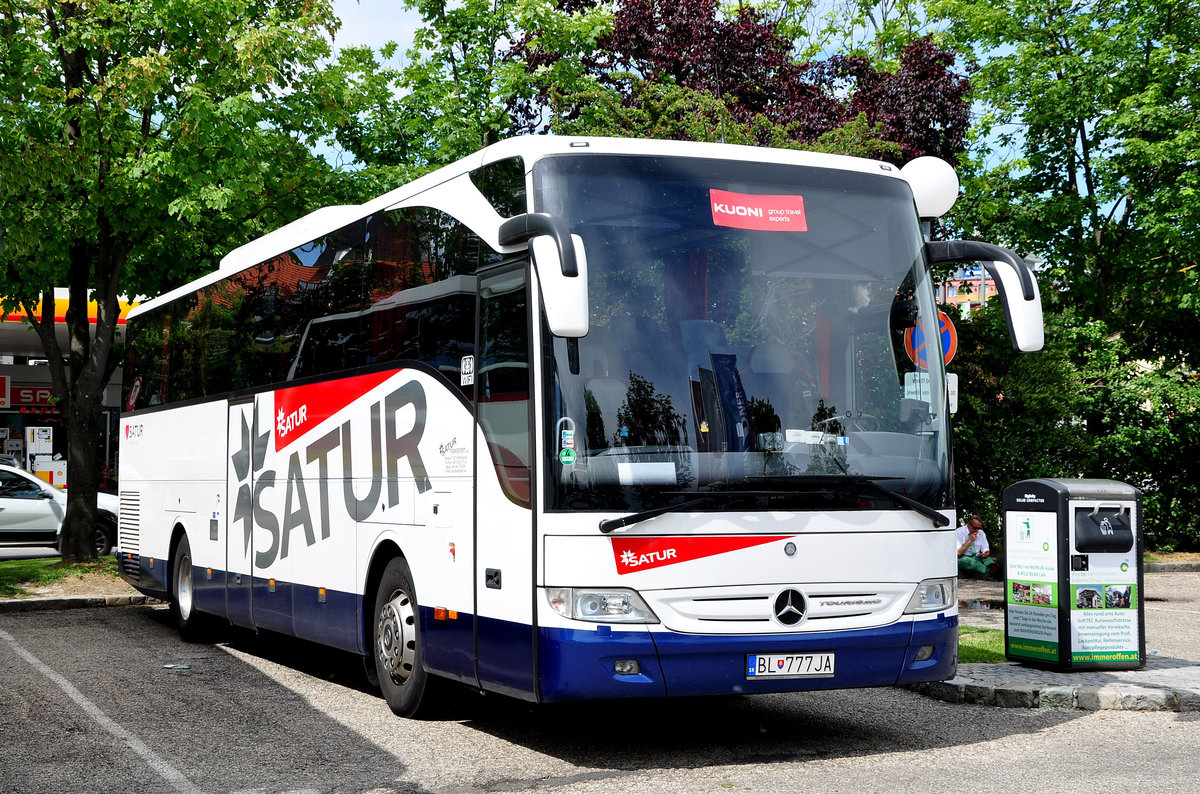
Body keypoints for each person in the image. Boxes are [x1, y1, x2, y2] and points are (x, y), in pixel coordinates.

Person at [957, 513, 999, 578]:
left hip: (977, 556)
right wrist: (970, 540)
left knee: (989, 561)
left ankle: (996, 571)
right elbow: (958, 553)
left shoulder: (981, 533)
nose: (976, 530)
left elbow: (985, 549)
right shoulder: (959, 532)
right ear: (968, 524)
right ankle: (992, 574)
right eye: (975, 528)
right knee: (975, 564)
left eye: (978, 528)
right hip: (963, 557)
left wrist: (985, 553)